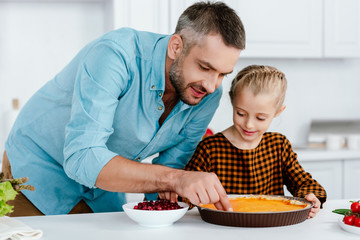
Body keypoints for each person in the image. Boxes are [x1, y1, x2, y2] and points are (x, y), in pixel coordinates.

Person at [2, 1, 245, 216]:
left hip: (103, 188)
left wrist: (169, 198)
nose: (212, 86)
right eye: (205, 67)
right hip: (38, 169)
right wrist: (176, 180)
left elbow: (170, 169)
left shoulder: (207, 94)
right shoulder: (116, 55)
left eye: (223, 74)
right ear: (176, 47)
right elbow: (82, 157)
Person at [184, 65, 327, 218]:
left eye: (260, 118)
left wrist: (310, 197)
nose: (249, 124)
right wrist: (178, 193)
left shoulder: (279, 145)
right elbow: (186, 193)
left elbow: (304, 183)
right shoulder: (209, 148)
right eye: (241, 113)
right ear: (232, 102)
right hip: (223, 229)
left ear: (278, 112)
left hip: (271, 229)